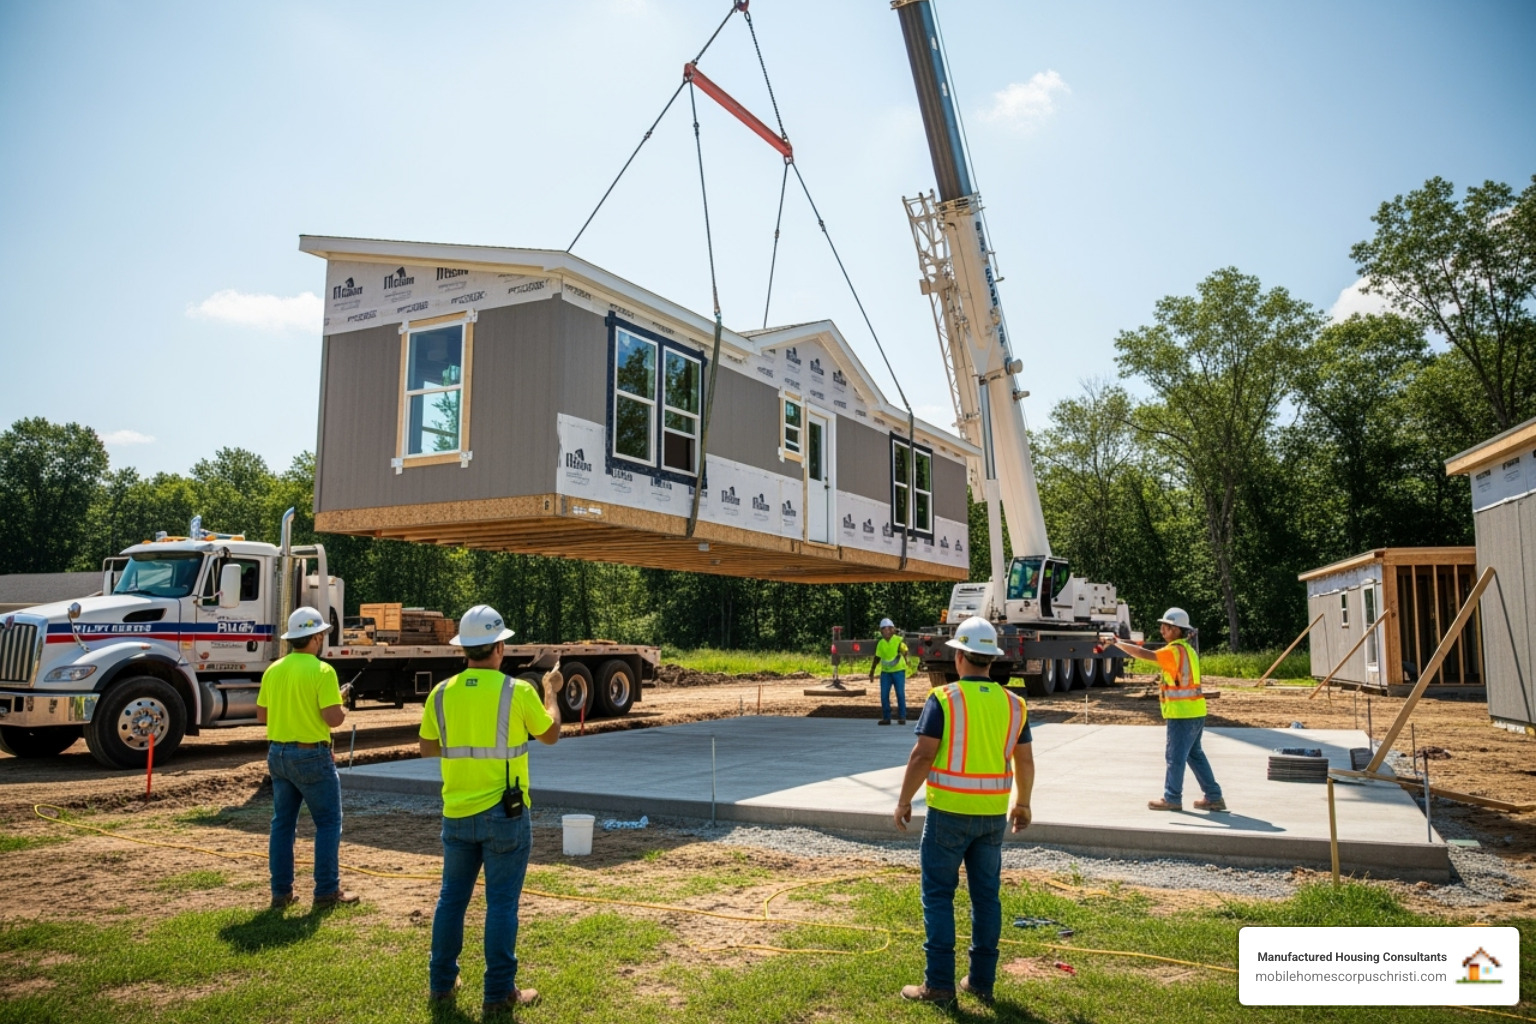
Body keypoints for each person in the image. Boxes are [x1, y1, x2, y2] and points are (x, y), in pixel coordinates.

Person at [420, 604, 562, 1015]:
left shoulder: (441, 692)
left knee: (451, 901)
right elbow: (550, 734)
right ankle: (499, 992)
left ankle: (441, 984)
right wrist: (551, 692)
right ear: (499, 647)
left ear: (464, 648)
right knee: (501, 904)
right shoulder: (517, 691)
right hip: (506, 816)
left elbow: (428, 746)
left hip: (457, 812)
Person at [893, 615, 1034, 1006]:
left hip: (948, 815)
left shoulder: (944, 699)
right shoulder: (1015, 704)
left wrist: (904, 800)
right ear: (991, 660)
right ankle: (981, 981)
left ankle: (938, 985)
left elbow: (923, 754)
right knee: (986, 897)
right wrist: (1022, 803)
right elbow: (1024, 761)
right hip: (991, 818)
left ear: (958, 657)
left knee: (938, 895)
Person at [257, 606, 358, 910]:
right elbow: (333, 719)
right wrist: (341, 704)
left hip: (278, 753)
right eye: (322, 635)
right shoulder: (322, 670)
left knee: (282, 824)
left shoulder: (274, 669)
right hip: (311, 755)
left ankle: (281, 893)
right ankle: (327, 891)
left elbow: (263, 715)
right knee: (328, 823)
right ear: (315, 637)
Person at [1104, 607, 1225, 812]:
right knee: (1194, 755)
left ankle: (1172, 798)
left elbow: (1144, 654)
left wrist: (1117, 643)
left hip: (1181, 714)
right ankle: (1214, 797)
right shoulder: (1188, 650)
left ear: (1177, 630)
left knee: (1174, 757)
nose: (1161, 630)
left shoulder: (1173, 651)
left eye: (1166, 627)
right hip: (1196, 711)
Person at [868, 617, 910, 725]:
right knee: (884, 695)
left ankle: (902, 717)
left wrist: (907, 659)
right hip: (886, 672)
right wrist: (872, 671)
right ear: (881, 631)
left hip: (898, 671)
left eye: (888, 629)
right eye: (884, 629)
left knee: (900, 694)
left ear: (893, 630)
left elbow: (905, 651)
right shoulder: (881, 643)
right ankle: (886, 718)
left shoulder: (898, 640)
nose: (886, 631)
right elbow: (877, 657)